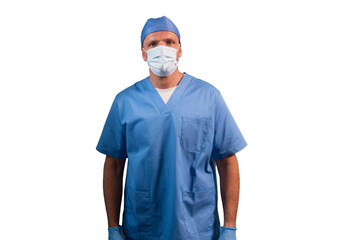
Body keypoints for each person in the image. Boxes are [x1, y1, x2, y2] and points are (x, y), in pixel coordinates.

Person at [96, 16, 247, 240]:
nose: (162, 49)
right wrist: (112, 226)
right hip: (143, 224)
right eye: (153, 44)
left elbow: (227, 161)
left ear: (180, 50)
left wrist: (230, 226)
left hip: (197, 225)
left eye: (169, 42)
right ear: (143, 53)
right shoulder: (125, 102)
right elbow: (113, 166)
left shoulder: (208, 97)